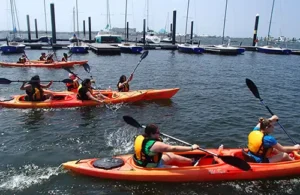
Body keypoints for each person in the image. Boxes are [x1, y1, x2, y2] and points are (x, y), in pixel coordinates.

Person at [133, 124, 200, 168]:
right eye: (158, 132)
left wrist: (157, 135)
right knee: (175, 168)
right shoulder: (155, 145)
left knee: (171, 155)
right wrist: (191, 148)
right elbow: (173, 148)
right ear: (151, 133)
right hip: (150, 166)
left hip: (141, 160)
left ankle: (192, 161)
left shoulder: (139, 137)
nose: (160, 133)